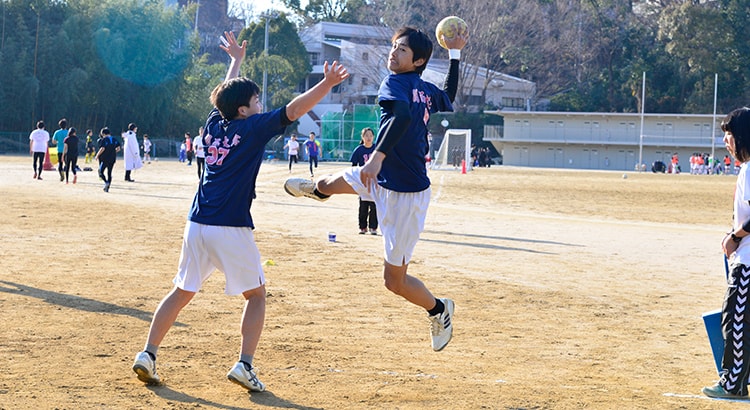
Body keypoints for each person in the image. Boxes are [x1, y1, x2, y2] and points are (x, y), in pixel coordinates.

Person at [131, 30, 349, 392]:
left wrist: (235, 61)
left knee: (181, 291)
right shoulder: (252, 127)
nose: (261, 105)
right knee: (257, 295)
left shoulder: (214, 123)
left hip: (197, 222)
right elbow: (294, 110)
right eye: (256, 100)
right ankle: (245, 365)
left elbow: (224, 96)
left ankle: (148, 354)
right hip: (230, 226)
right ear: (244, 109)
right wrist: (326, 83)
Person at [284, 26, 466, 352]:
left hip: (405, 194)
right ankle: (317, 190)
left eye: (403, 50)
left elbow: (402, 118)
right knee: (325, 184)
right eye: (394, 46)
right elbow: (448, 95)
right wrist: (454, 54)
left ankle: (439, 309)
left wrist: (377, 157)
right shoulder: (418, 87)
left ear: (418, 61)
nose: (394, 52)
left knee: (393, 282)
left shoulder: (399, 83)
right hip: (381, 178)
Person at [703, 107, 750, 400]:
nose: (726, 142)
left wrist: (734, 237)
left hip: (747, 264)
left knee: (734, 321)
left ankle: (732, 384)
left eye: (729, 135)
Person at [350, 127, 378, 235]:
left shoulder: (377, 149)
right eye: (366, 135)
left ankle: (373, 227)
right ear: (362, 137)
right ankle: (362, 227)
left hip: (375, 180)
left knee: (374, 205)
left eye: (371, 135)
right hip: (362, 180)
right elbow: (353, 166)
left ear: (373, 137)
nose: (369, 138)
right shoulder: (359, 150)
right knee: (363, 205)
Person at [95, 127, 121, 192]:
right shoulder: (114, 139)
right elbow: (118, 148)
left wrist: (97, 155)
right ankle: (107, 187)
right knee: (109, 173)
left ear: (103, 134)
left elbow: (102, 148)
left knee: (100, 171)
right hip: (112, 158)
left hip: (105, 158)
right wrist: (113, 152)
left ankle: (106, 182)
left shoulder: (104, 140)